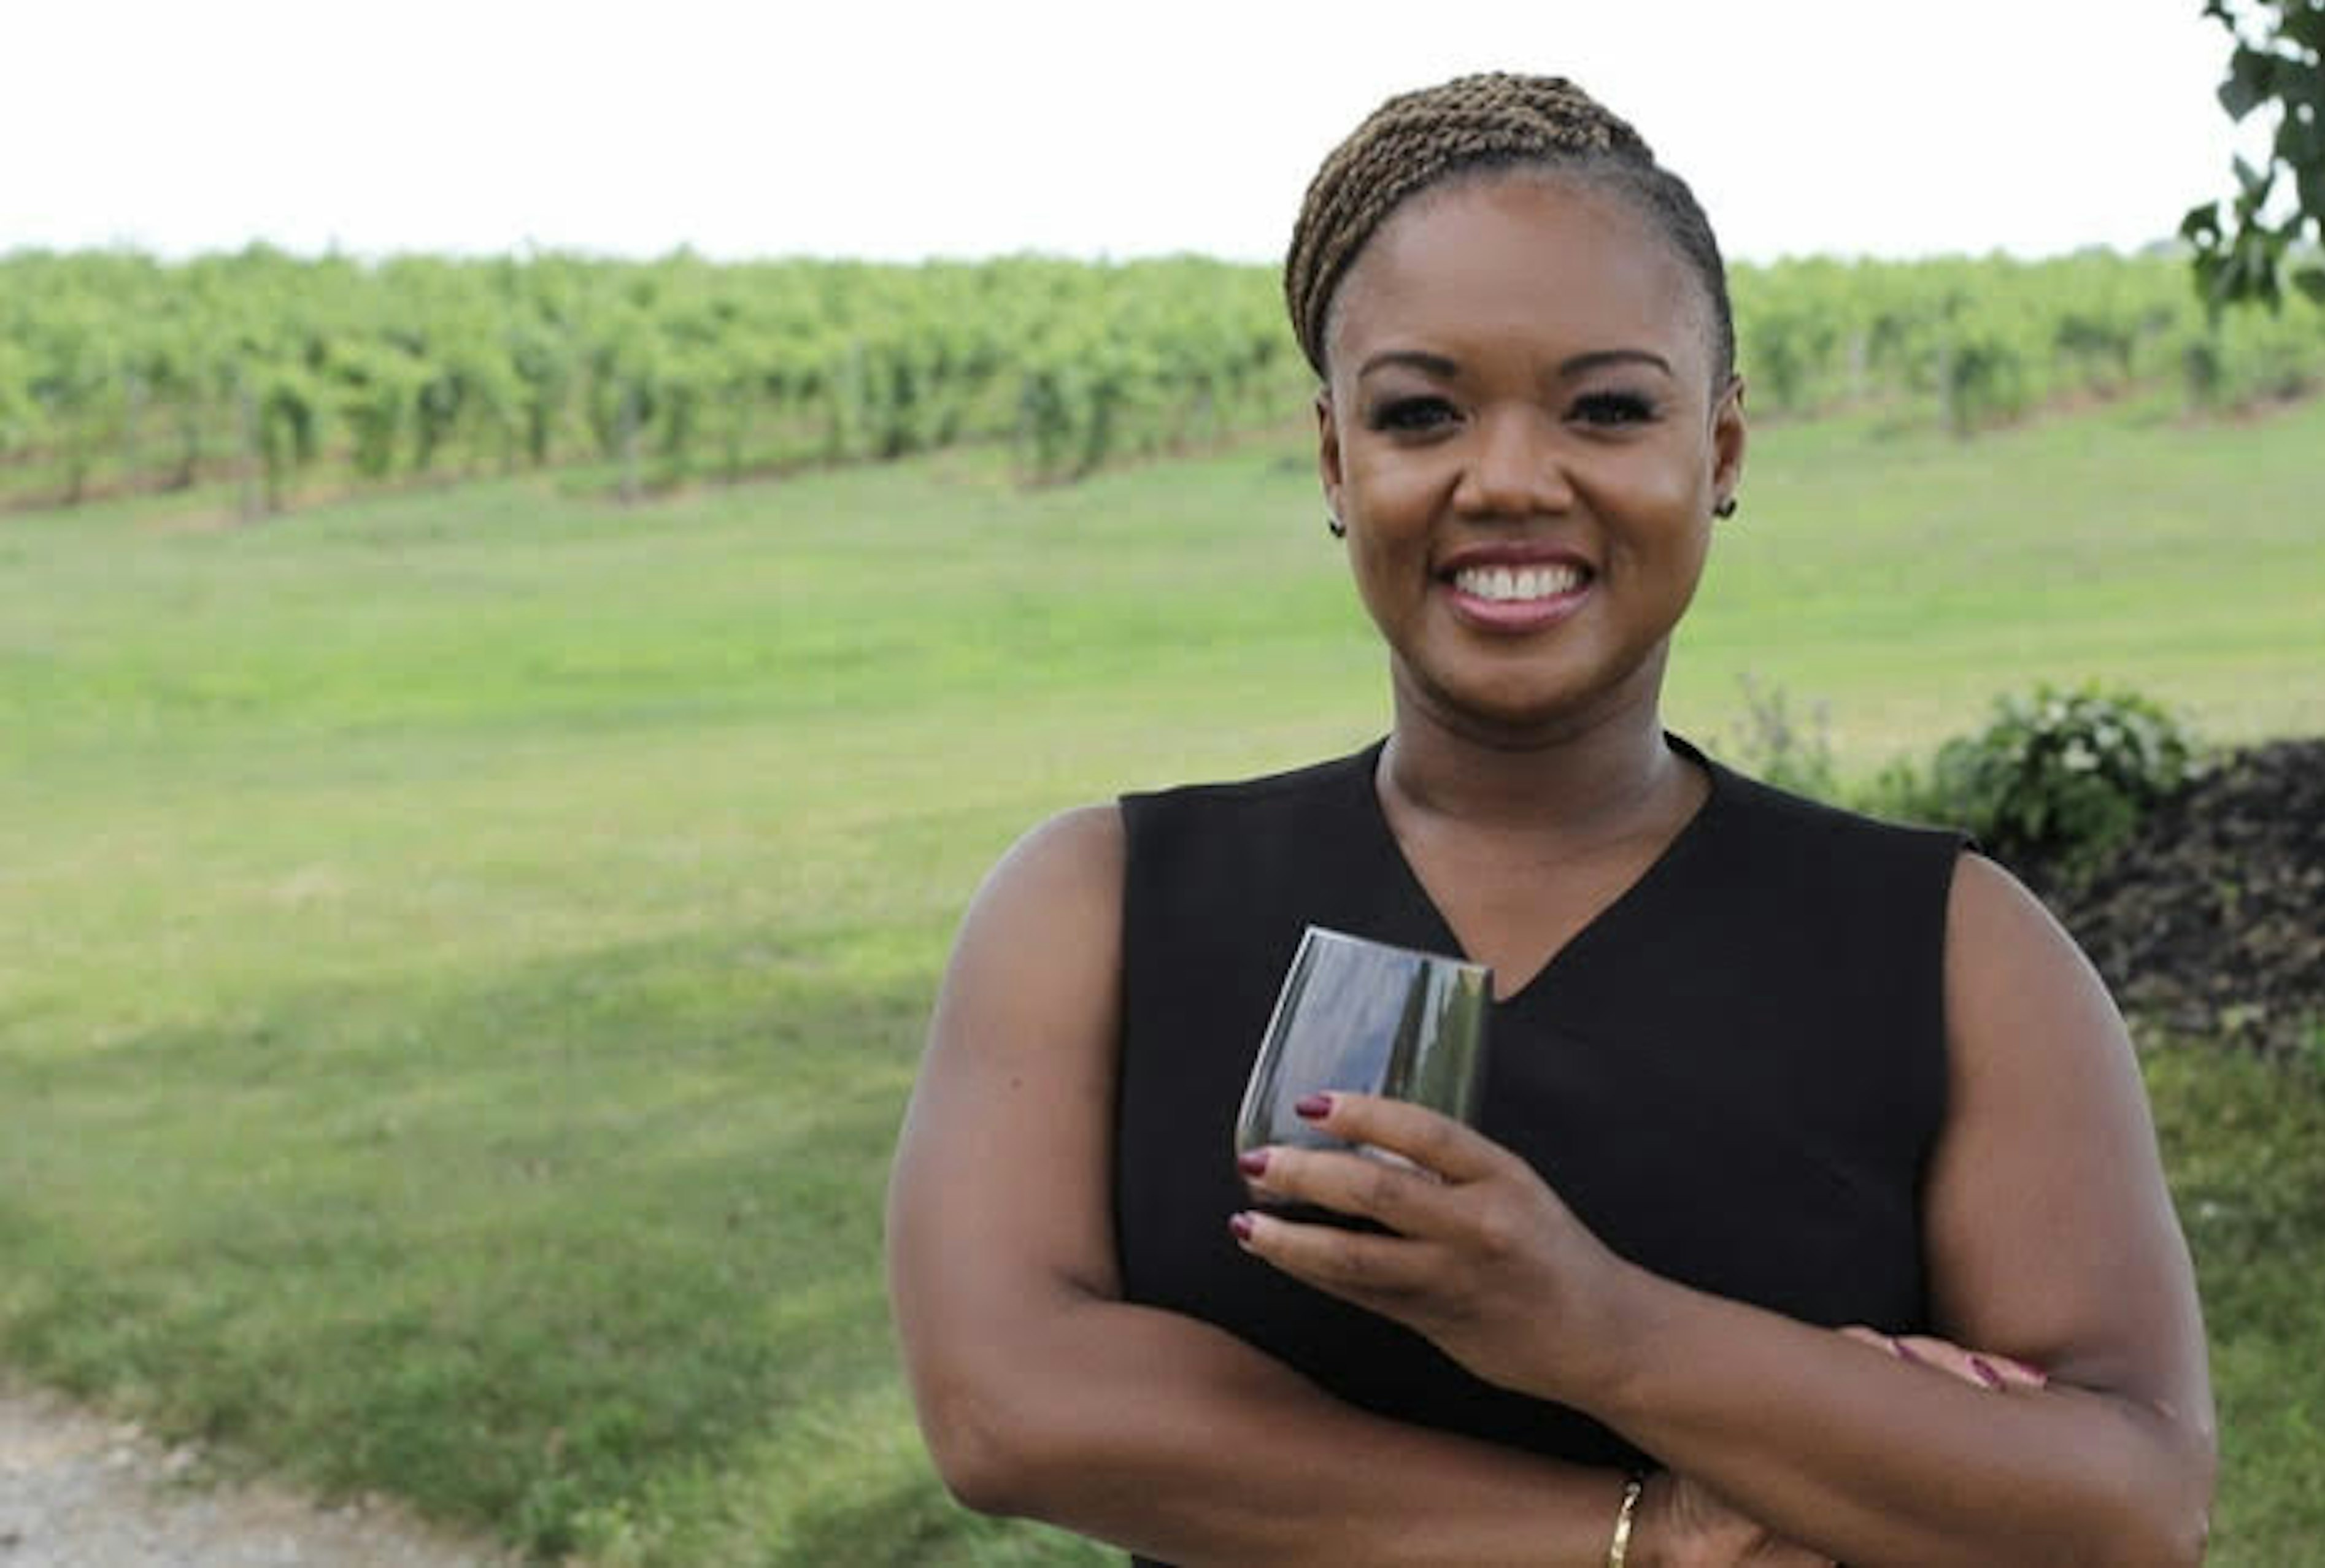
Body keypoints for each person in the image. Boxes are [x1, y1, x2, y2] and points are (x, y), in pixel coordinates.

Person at [887, 72, 2215, 1567]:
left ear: (1718, 453)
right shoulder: (1104, 909)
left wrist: (1596, 1328)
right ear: (1337, 460)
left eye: (1606, 407)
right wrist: (1642, 1534)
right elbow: (1009, 1407)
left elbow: (2131, 1504)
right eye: (1421, 412)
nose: (1510, 479)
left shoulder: (1955, 950)